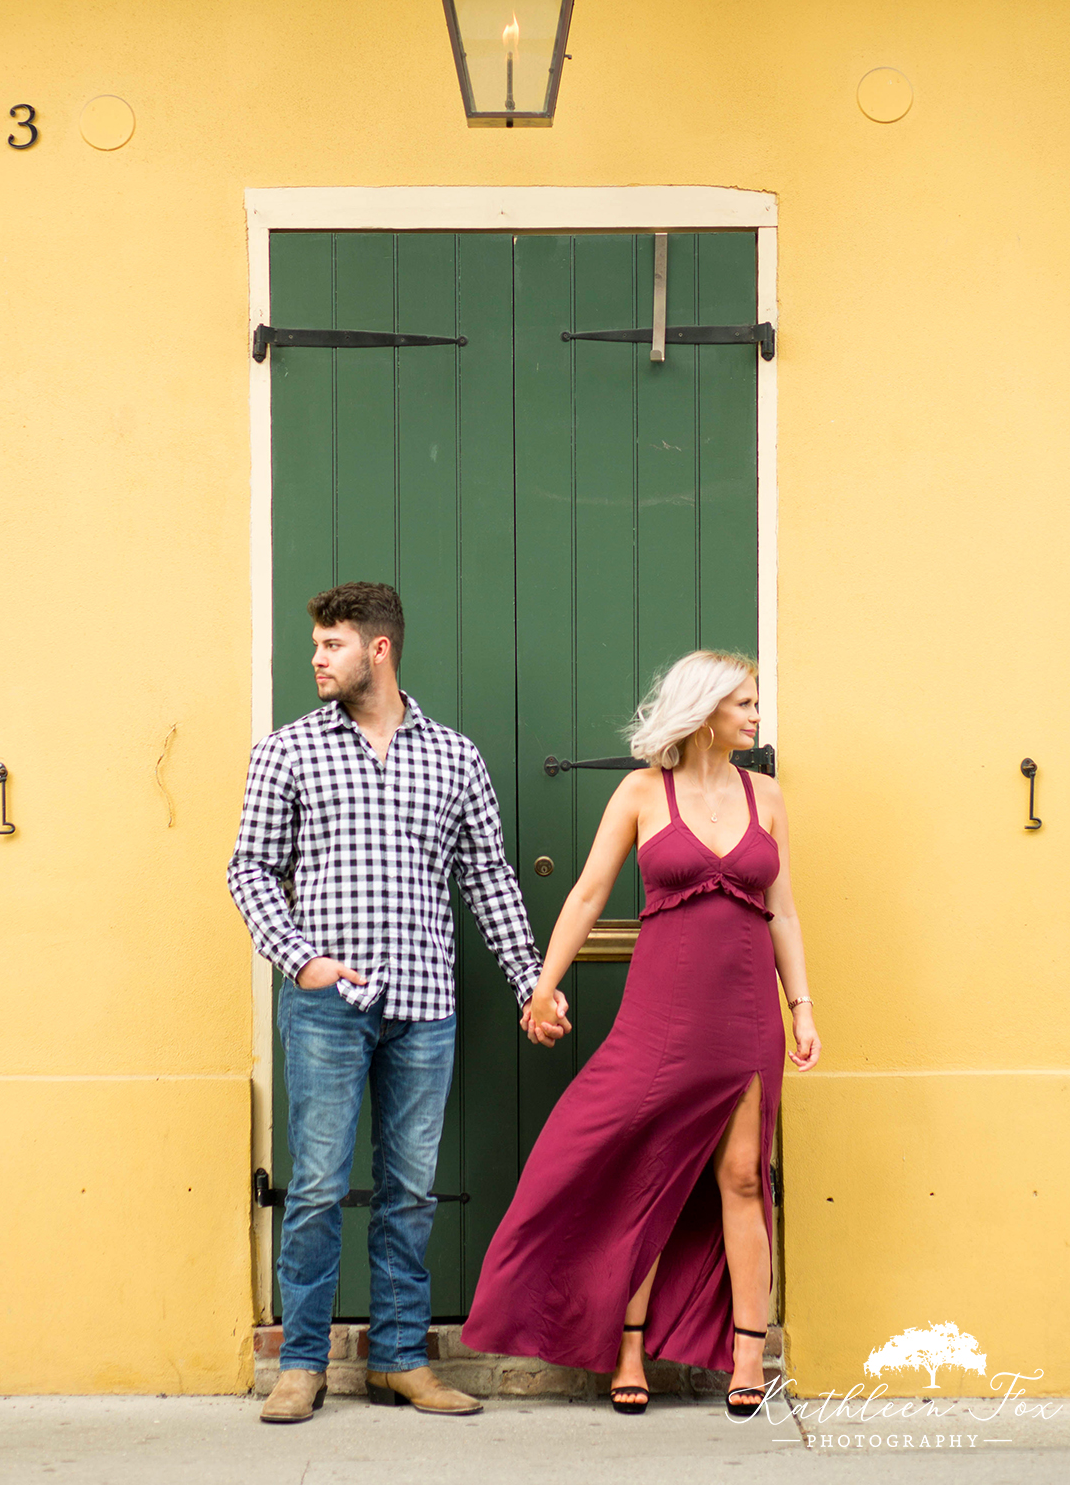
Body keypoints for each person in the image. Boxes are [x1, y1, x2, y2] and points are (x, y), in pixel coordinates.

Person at [227, 581, 566, 1424]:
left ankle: (401, 1361)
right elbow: (249, 869)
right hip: (328, 1007)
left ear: (379, 649)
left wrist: (533, 984)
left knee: (410, 1192)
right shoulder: (289, 750)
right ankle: (301, 1364)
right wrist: (301, 960)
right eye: (315, 644)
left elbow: (487, 879)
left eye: (332, 645)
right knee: (313, 1189)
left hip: (426, 1002)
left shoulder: (455, 756)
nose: (316, 658)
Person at [461, 650, 820, 1419]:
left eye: (757, 703)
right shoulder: (640, 792)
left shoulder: (768, 795)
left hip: (748, 1009)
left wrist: (803, 1008)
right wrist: (544, 982)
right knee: (644, 1171)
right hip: (662, 1017)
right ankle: (629, 1345)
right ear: (704, 710)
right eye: (745, 703)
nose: (757, 716)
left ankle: (747, 1355)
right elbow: (589, 893)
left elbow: (783, 911)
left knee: (742, 1177)